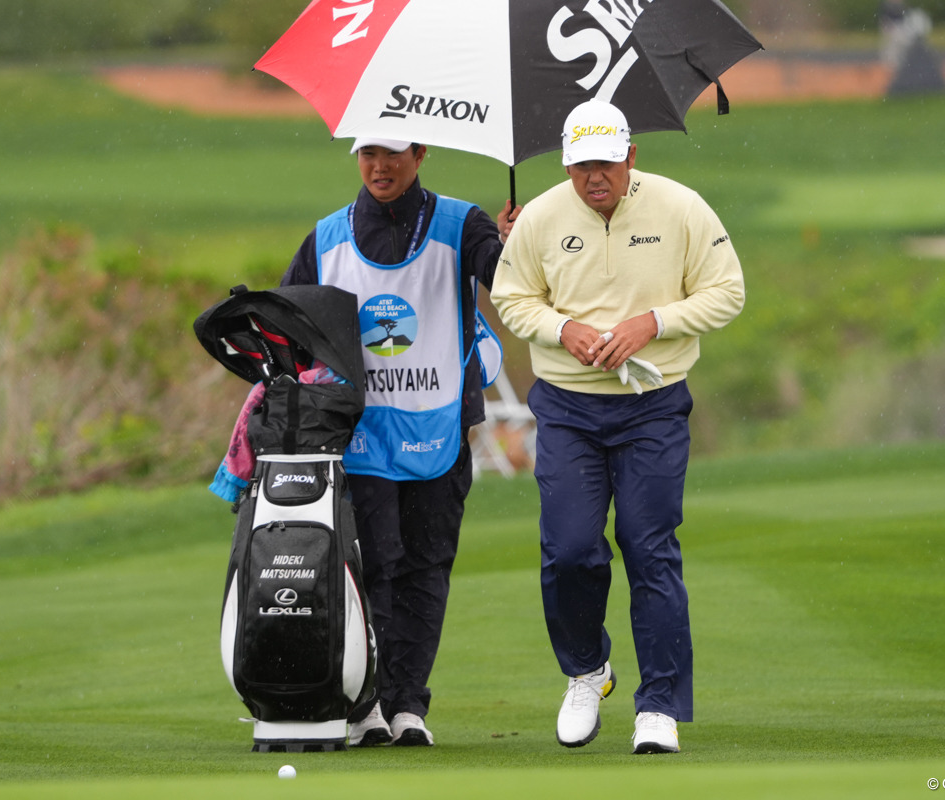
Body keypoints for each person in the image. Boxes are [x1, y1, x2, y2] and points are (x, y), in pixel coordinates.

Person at [490, 99, 744, 754]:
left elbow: (727, 291)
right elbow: (512, 296)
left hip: (654, 401)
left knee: (647, 544)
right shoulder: (541, 217)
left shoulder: (680, 208)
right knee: (571, 548)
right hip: (568, 406)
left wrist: (650, 324)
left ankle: (658, 704)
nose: (593, 176)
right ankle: (586, 670)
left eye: (605, 162)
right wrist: (562, 330)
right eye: (580, 165)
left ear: (631, 157)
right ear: (568, 163)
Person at [281, 137, 519, 747]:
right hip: (359, 436)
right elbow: (289, 326)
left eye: (391, 155)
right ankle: (366, 706)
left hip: (437, 427)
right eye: (367, 156)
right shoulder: (327, 237)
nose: (379, 168)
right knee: (372, 567)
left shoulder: (463, 223)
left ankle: (408, 704)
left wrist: (519, 245)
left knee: (425, 565)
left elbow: (507, 283)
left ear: (418, 155)